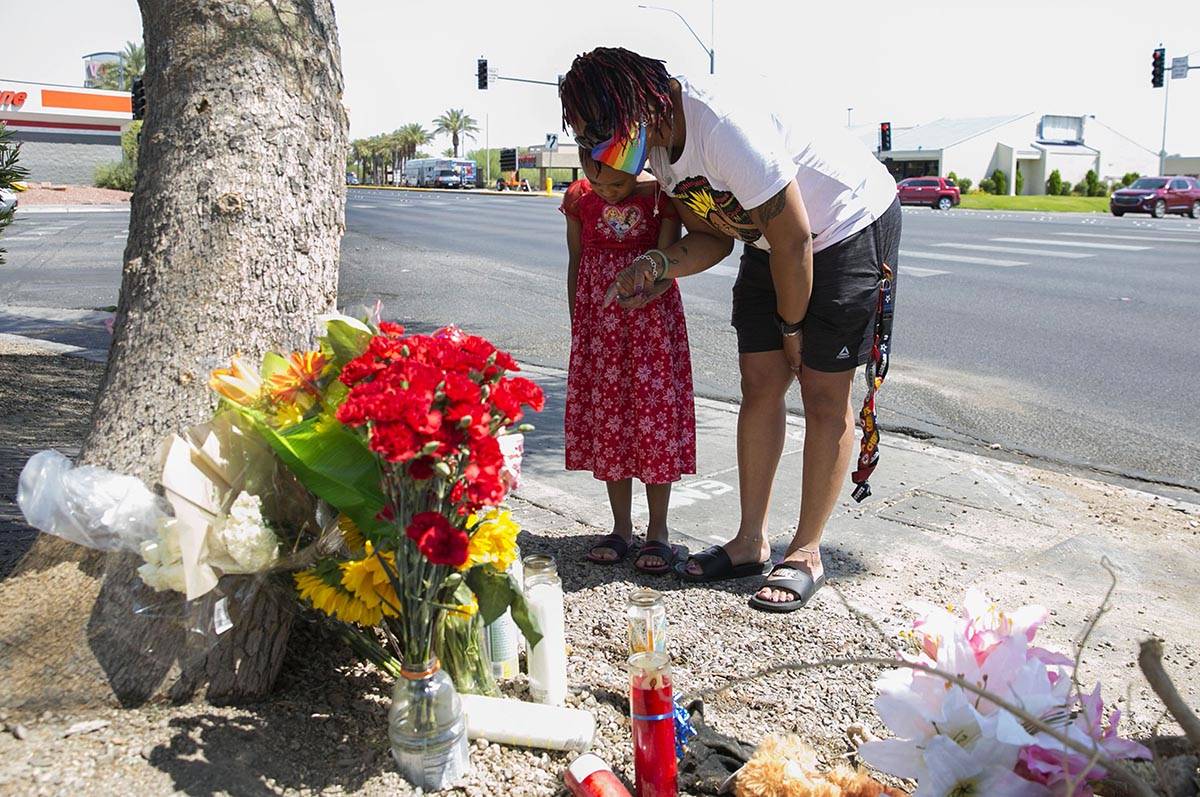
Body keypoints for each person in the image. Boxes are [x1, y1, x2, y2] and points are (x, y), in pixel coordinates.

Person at [559, 47, 901, 612]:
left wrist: (793, 325)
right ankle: (750, 541)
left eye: (605, 139)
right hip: (771, 240)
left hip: (843, 225)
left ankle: (806, 551)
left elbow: (795, 239)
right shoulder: (660, 148)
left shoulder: (721, 126)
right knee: (761, 380)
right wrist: (660, 265)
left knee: (820, 386)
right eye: (588, 145)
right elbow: (713, 234)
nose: (601, 158)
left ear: (642, 105)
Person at [561, 150, 695, 575]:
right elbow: (577, 262)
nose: (608, 193)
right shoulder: (580, 198)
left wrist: (648, 295)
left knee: (653, 422)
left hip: (650, 329)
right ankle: (621, 527)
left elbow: (669, 260)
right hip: (601, 332)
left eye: (616, 185)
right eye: (597, 183)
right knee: (611, 424)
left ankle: (658, 530)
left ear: (635, 161)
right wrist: (578, 324)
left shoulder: (660, 195)